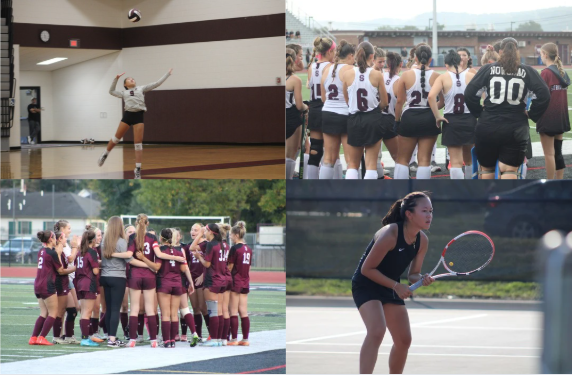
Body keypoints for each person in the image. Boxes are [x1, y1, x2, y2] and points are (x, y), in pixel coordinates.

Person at [351, 192, 434, 374]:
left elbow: (413, 274)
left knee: (404, 340)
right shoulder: (391, 233)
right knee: (377, 331)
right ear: (409, 214)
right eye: (424, 211)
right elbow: (367, 269)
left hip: (390, 286)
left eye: (431, 211)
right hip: (366, 284)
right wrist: (396, 286)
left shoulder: (422, 241)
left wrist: (421, 279)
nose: (429, 215)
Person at [464, 37, 551, 179]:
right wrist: (532, 114)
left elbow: (469, 94)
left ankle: (489, 201)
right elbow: (544, 95)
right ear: (517, 51)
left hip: (488, 125)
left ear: (500, 52)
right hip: (515, 126)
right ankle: (506, 201)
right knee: (510, 170)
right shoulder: (527, 71)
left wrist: (479, 112)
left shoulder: (487, 69)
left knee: (487, 170)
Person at [98, 69, 173, 179]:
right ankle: (105, 154)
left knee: (138, 143)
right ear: (125, 84)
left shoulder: (141, 88)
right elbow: (111, 91)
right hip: (128, 115)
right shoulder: (123, 93)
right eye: (128, 79)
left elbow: (157, 83)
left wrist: (167, 74)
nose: (131, 79)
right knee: (116, 139)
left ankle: (137, 168)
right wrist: (116, 79)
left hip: (138, 116)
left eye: (132, 78)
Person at [125, 213, 185, 347]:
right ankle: (153, 340)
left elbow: (129, 257)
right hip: (149, 275)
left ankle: (133, 339)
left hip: (135, 274)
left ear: (136, 223)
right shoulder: (152, 237)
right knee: (150, 309)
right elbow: (158, 254)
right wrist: (175, 257)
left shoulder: (132, 237)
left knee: (134, 308)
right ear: (147, 224)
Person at [394, 44, 444, 179]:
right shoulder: (437, 76)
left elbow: (399, 102)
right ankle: (422, 194)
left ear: (415, 58)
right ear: (430, 59)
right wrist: (431, 109)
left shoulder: (405, 75)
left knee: (403, 160)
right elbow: (442, 103)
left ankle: (401, 194)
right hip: (429, 117)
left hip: (409, 117)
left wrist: (396, 121)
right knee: (425, 160)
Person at [341, 41, 388, 179]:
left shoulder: (347, 74)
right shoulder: (377, 74)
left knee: (353, 164)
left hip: (355, 119)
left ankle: (352, 196)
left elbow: (347, 100)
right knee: (371, 164)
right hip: (372, 118)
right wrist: (374, 109)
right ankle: (369, 198)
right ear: (372, 56)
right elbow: (384, 102)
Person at [428, 50, 476, 179]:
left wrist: (437, 116)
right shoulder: (471, 76)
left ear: (446, 64)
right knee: (469, 160)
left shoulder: (443, 77)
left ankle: (458, 192)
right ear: (460, 61)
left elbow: (431, 96)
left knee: (455, 162)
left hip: (451, 120)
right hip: (469, 119)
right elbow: (484, 95)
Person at [30, 231, 76, 346]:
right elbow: (61, 271)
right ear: (51, 239)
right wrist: (76, 268)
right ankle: (42, 337)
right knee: (53, 313)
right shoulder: (52, 253)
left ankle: (33, 337)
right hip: (47, 285)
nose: (56, 240)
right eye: (54, 238)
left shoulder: (41, 251)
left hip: (37, 284)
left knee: (43, 312)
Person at [100, 217, 139, 347]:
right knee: (116, 309)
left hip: (105, 277)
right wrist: (147, 265)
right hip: (118, 277)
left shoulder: (104, 241)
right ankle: (112, 339)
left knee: (109, 309)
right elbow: (130, 260)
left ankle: (110, 336)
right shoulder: (121, 242)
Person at [152, 229, 194, 348]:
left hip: (164, 283)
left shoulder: (160, 250)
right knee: (174, 314)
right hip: (177, 283)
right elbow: (182, 269)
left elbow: (157, 267)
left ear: (161, 238)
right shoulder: (179, 251)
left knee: (165, 314)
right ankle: (172, 341)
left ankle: (166, 341)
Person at [319, 40, 355, 179]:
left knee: (328, 159)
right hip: (345, 115)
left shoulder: (327, 69)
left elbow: (324, 98)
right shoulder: (350, 70)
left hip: (328, 113)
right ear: (350, 56)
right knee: (351, 160)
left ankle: (322, 193)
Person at [537, 42, 570, 179]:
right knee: (558, 153)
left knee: (549, 154)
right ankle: (559, 182)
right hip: (561, 117)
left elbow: (539, 97)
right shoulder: (563, 72)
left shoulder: (546, 73)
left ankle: (550, 185)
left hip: (548, 118)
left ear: (544, 55)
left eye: (541, 54)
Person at [190, 224, 225, 347]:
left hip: (212, 280)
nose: (204, 232)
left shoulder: (211, 244)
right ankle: (220, 339)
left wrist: (199, 257)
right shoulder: (223, 244)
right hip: (222, 279)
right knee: (219, 311)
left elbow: (207, 264)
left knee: (213, 311)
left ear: (210, 232)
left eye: (206, 230)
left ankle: (214, 339)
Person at [307, 37, 336, 179]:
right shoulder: (330, 67)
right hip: (326, 107)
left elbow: (309, 85)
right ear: (329, 51)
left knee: (315, 150)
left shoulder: (311, 67)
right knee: (330, 155)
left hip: (314, 108)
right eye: (334, 51)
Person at [227, 221, 252, 346]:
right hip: (245, 280)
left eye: (231, 235)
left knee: (233, 311)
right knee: (243, 311)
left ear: (236, 235)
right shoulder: (248, 248)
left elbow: (230, 267)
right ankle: (245, 339)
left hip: (235, 281)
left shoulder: (235, 248)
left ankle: (234, 339)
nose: (230, 237)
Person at [75, 229, 101, 347]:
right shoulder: (92, 251)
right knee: (87, 312)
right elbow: (95, 271)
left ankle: (85, 337)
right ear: (93, 239)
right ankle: (85, 338)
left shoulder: (80, 251)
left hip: (80, 283)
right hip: (88, 283)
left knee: (83, 312)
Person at [286, 48, 309, 179]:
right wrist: (307, 107)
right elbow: (299, 105)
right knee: (290, 157)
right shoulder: (294, 79)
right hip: (291, 118)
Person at [379, 51, 402, 175]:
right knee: (399, 157)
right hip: (389, 120)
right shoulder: (399, 81)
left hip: (376, 118)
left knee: (374, 158)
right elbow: (400, 103)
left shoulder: (379, 75)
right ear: (401, 64)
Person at [186, 224, 209, 341]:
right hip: (192, 279)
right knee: (195, 308)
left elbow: (210, 263)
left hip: (202, 279)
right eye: (192, 229)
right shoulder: (190, 246)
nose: (193, 232)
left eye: (196, 230)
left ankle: (212, 334)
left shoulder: (205, 244)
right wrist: (189, 279)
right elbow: (188, 264)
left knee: (203, 307)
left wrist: (202, 275)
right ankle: (198, 335)